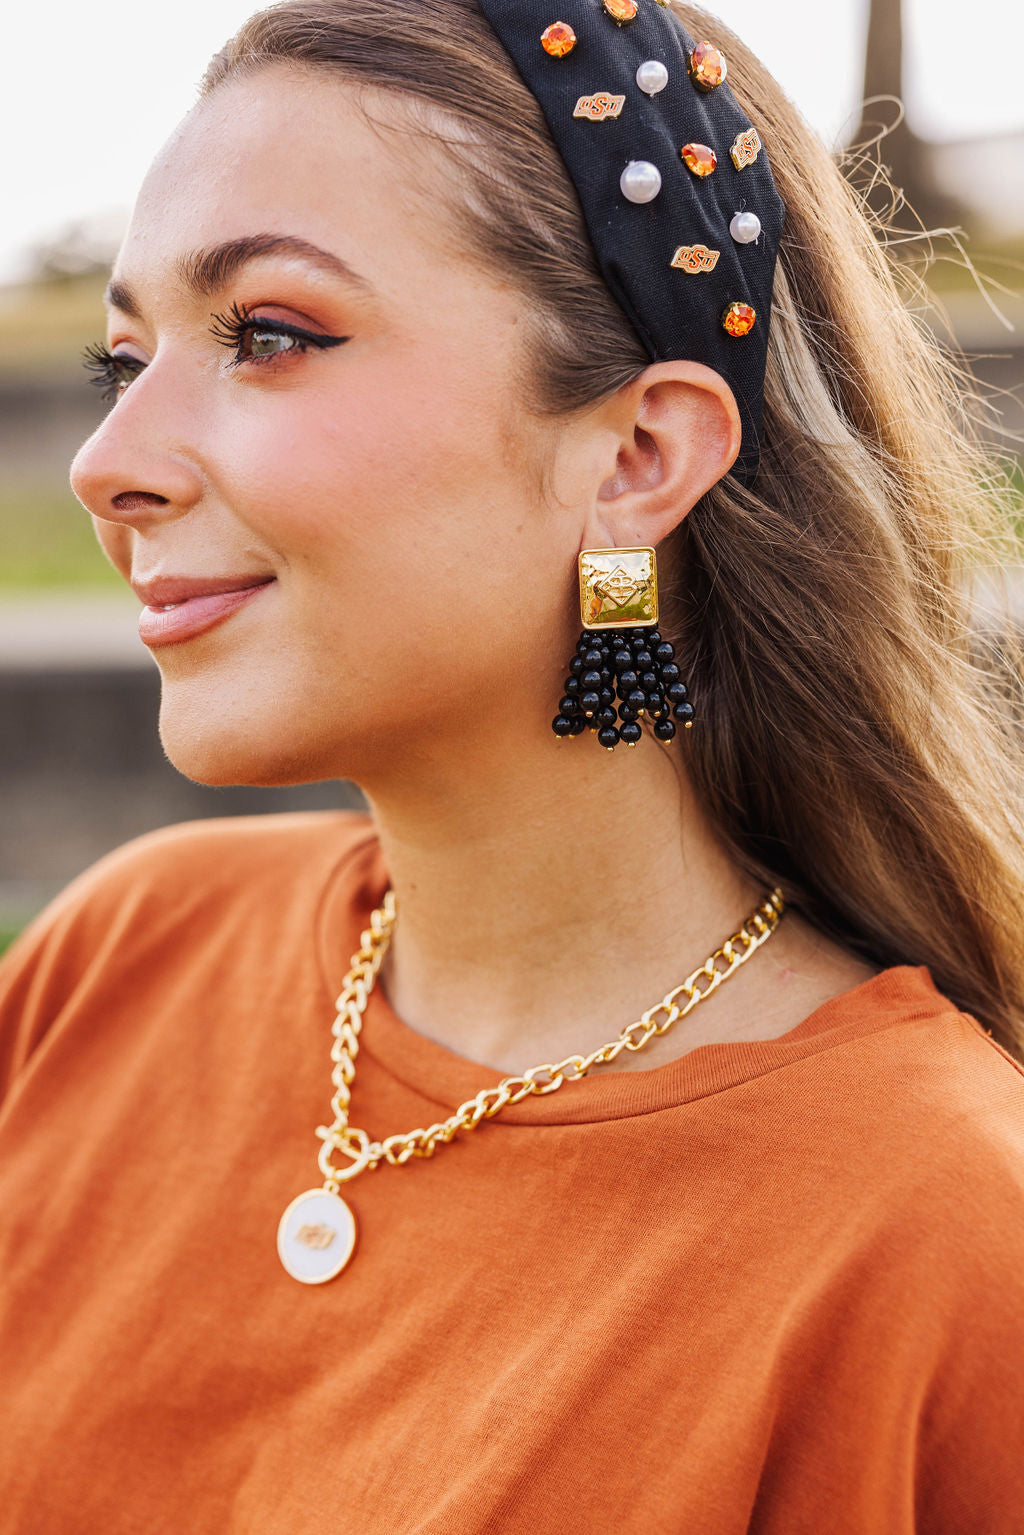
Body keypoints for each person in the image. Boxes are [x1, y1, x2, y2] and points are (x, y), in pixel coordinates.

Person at [2, 0, 1023, 1528]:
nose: (109, 464)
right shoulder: (123, 959)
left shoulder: (940, 1234)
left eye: (268, 335)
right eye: (122, 360)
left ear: (634, 458)